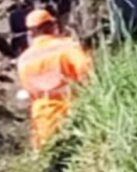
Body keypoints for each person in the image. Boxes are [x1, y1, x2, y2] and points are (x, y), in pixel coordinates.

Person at [17, 8, 94, 149]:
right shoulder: (67, 46)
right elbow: (86, 71)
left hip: (43, 119)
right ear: (52, 26)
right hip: (72, 114)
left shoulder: (23, 60)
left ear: (31, 32)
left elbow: (29, 91)